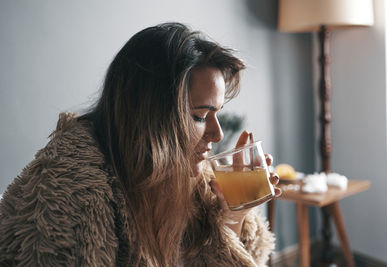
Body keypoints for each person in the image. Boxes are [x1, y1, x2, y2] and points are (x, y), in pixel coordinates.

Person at [0, 22, 281, 267]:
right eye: (199, 116)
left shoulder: (194, 186)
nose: (217, 134)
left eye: (216, 113)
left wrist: (233, 216)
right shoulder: (72, 191)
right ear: (150, 118)